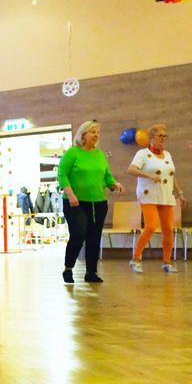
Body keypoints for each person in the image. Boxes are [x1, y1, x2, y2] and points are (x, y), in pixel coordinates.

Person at [57, 120, 124, 284]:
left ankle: (91, 272)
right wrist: (71, 195)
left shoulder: (99, 154)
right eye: (93, 132)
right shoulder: (72, 153)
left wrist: (114, 184)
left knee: (94, 237)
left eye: (98, 132)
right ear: (83, 134)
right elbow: (62, 175)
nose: (96, 135)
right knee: (78, 235)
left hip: (98, 203)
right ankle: (68, 268)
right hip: (75, 203)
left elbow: (107, 176)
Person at [127, 124, 186, 273]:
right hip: (148, 195)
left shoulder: (168, 154)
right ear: (151, 138)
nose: (163, 139)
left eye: (165, 136)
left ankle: (167, 262)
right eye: (160, 136)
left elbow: (171, 176)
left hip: (166, 195)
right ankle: (135, 259)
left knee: (168, 229)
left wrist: (179, 193)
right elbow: (131, 170)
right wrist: (148, 175)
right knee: (151, 226)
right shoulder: (142, 154)